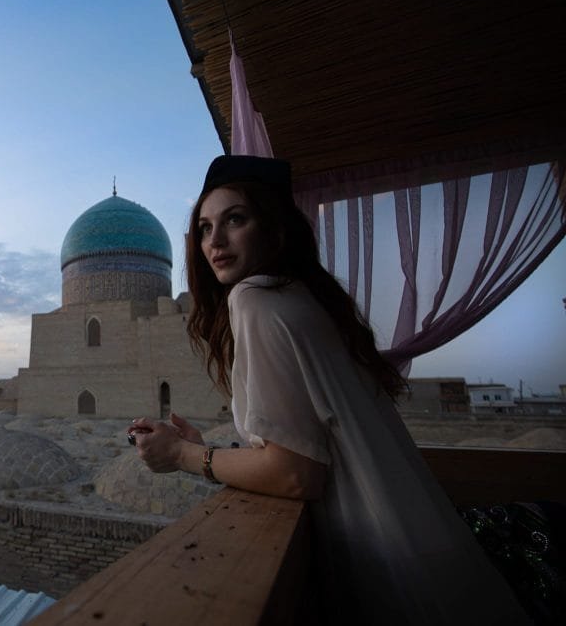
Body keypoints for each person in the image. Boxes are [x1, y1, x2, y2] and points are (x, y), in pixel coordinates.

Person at [129, 155, 528, 624]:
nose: (214, 241)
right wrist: (214, 449)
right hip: (421, 542)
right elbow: (308, 441)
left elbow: (298, 473)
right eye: (203, 228)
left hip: (386, 560)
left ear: (273, 227)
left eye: (235, 219)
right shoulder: (304, 297)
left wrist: (183, 457)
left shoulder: (253, 299)